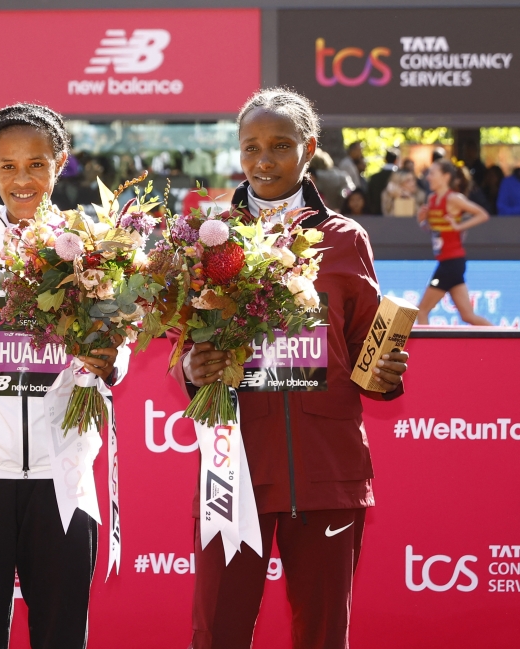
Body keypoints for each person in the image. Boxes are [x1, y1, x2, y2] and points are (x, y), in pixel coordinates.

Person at [169, 88, 408, 649]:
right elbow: (180, 345)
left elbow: (366, 351)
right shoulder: (206, 241)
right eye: (251, 147)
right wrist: (191, 369)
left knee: (324, 635)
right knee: (218, 632)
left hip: (328, 472)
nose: (264, 160)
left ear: (309, 148)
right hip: (235, 471)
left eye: (280, 146)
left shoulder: (345, 238)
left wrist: (388, 372)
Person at [0, 102, 129, 649]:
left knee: (62, 637)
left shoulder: (96, 249)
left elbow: (117, 354)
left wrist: (106, 358)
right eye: (8, 166)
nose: (22, 179)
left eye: (36, 164)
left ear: (60, 164)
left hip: (62, 476)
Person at [415, 160, 493, 326]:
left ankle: (424, 352)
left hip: (451, 263)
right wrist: (422, 223)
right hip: (449, 262)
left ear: (446, 176)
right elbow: (437, 232)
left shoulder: (454, 198)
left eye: (432, 173)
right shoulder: (432, 199)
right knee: (468, 316)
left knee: (421, 310)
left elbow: (482, 214)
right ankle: (508, 341)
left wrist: (459, 226)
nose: (428, 177)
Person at [365, 149, 398, 215]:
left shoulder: (374, 178)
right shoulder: (401, 178)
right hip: (397, 216)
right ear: (396, 161)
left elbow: (369, 197)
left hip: (376, 216)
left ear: (384, 160)